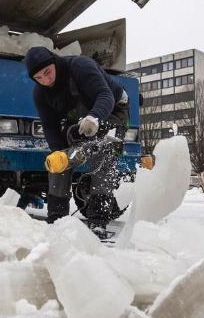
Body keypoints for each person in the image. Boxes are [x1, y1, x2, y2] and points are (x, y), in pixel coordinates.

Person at [24, 46, 129, 236]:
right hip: (79, 117)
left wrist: (95, 117)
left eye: (47, 72)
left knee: (102, 151)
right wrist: (58, 152)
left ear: (54, 62)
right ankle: (57, 220)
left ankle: (99, 220)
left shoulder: (81, 66)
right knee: (59, 161)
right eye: (39, 78)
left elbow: (105, 96)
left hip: (112, 108)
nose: (46, 81)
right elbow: (50, 126)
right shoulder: (40, 93)